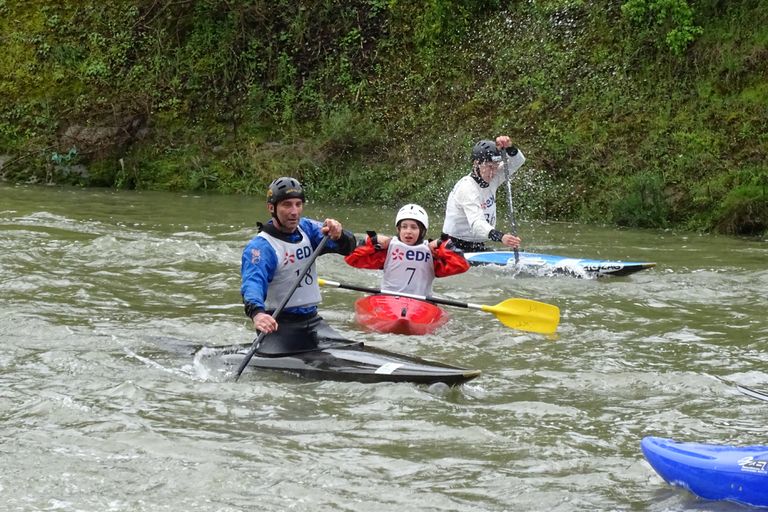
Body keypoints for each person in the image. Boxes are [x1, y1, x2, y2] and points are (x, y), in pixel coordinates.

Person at [240, 176, 357, 355]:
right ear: (272, 208)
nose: (294, 211)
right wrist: (258, 314)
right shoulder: (261, 248)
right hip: (279, 326)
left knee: (353, 350)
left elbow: (347, 248)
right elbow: (252, 284)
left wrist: (339, 234)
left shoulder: (308, 229)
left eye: (298, 204)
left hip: (313, 321)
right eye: (287, 205)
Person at [344, 203, 469, 296]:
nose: (408, 231)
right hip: (389, 300)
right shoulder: (388, 250)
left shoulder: (432, 253)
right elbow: (351, 259)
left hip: (420, 304)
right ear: (398, 230)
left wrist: (443, 245)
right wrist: (372, 242)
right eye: (404, 227)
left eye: (414, 227)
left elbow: (462, 265)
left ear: (422, 231)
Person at [441, 135, 526, 252]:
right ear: (477, 164)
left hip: (477, 245)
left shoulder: (493, 178)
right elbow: (476, 224)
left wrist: (510, 147)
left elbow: (518, 162)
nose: (493, 172)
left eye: (496, 167)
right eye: (490, 167)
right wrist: (501, 237)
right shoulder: (467, 188)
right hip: (453, 245)